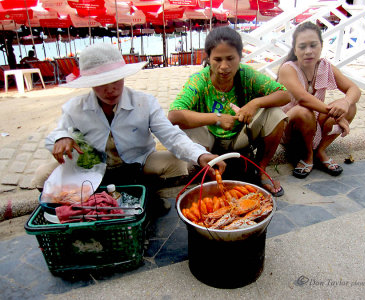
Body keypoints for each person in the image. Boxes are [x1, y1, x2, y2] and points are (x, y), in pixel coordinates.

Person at [31, 43, 225, 215]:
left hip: (136, 165)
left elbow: (172, 136)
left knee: (176, 163)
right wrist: (62, 138)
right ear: (90, 85)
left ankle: (148, 195)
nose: (110, 90)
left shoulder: (144, 102)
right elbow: (56, 134)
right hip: (91, 169)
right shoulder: (75, 108)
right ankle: (91, 203)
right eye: (101, 84)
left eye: (115, 80)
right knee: (42, 175)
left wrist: (200, 156)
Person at [168, 26, 290, 197]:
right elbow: (173, 115)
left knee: (276, 114)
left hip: (241, 137)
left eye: (230, 58)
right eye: (217, 59)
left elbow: (285, 94)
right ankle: (208, 172)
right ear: (208, 58)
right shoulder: (199, 81)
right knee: (185, 125)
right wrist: (216, 118)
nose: (224, 66)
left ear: (240, 57)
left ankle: (261, 170)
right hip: (209, 142)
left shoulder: (247, 75)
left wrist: (255, 103)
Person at [277, 21, 360, 179]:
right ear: (295, 49)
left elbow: (354, 89)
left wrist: (345, 103)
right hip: (291, 127)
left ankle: (321, 151)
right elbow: (303, 99)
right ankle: (308, 155)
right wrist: (338, 117)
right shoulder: (288, 68)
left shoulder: (325, 66)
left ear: (321, 46)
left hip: (315, 124)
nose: (308, 51)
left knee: (350, 106)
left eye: (313, 45)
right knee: (303, 111)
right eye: (302, 47)